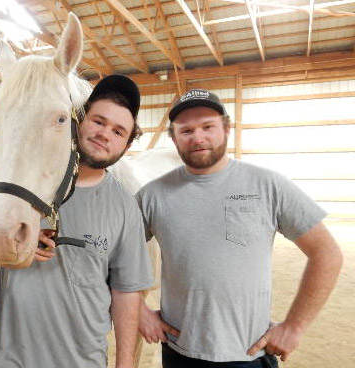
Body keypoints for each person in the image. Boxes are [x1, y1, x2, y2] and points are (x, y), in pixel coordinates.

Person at [135, 89, 343, 367]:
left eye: (208, 127)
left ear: (226, 129)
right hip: (179, 352)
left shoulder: (268, 186)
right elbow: (111, 256)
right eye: (186, 131)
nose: (198, 138)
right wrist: (139, 311)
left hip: (248, 354)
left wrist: (294, 327)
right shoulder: (152, 195)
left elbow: (327, 253)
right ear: (173, 138)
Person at [0, 75, 153, 368]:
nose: (105, 134)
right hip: (9, 359)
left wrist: (126, 363)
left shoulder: (125, 207)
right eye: (99, 121)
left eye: (118, 132)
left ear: (127, 145)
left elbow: (126, 292)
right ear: (79, 121)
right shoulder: (22, 180)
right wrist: (14, 254)